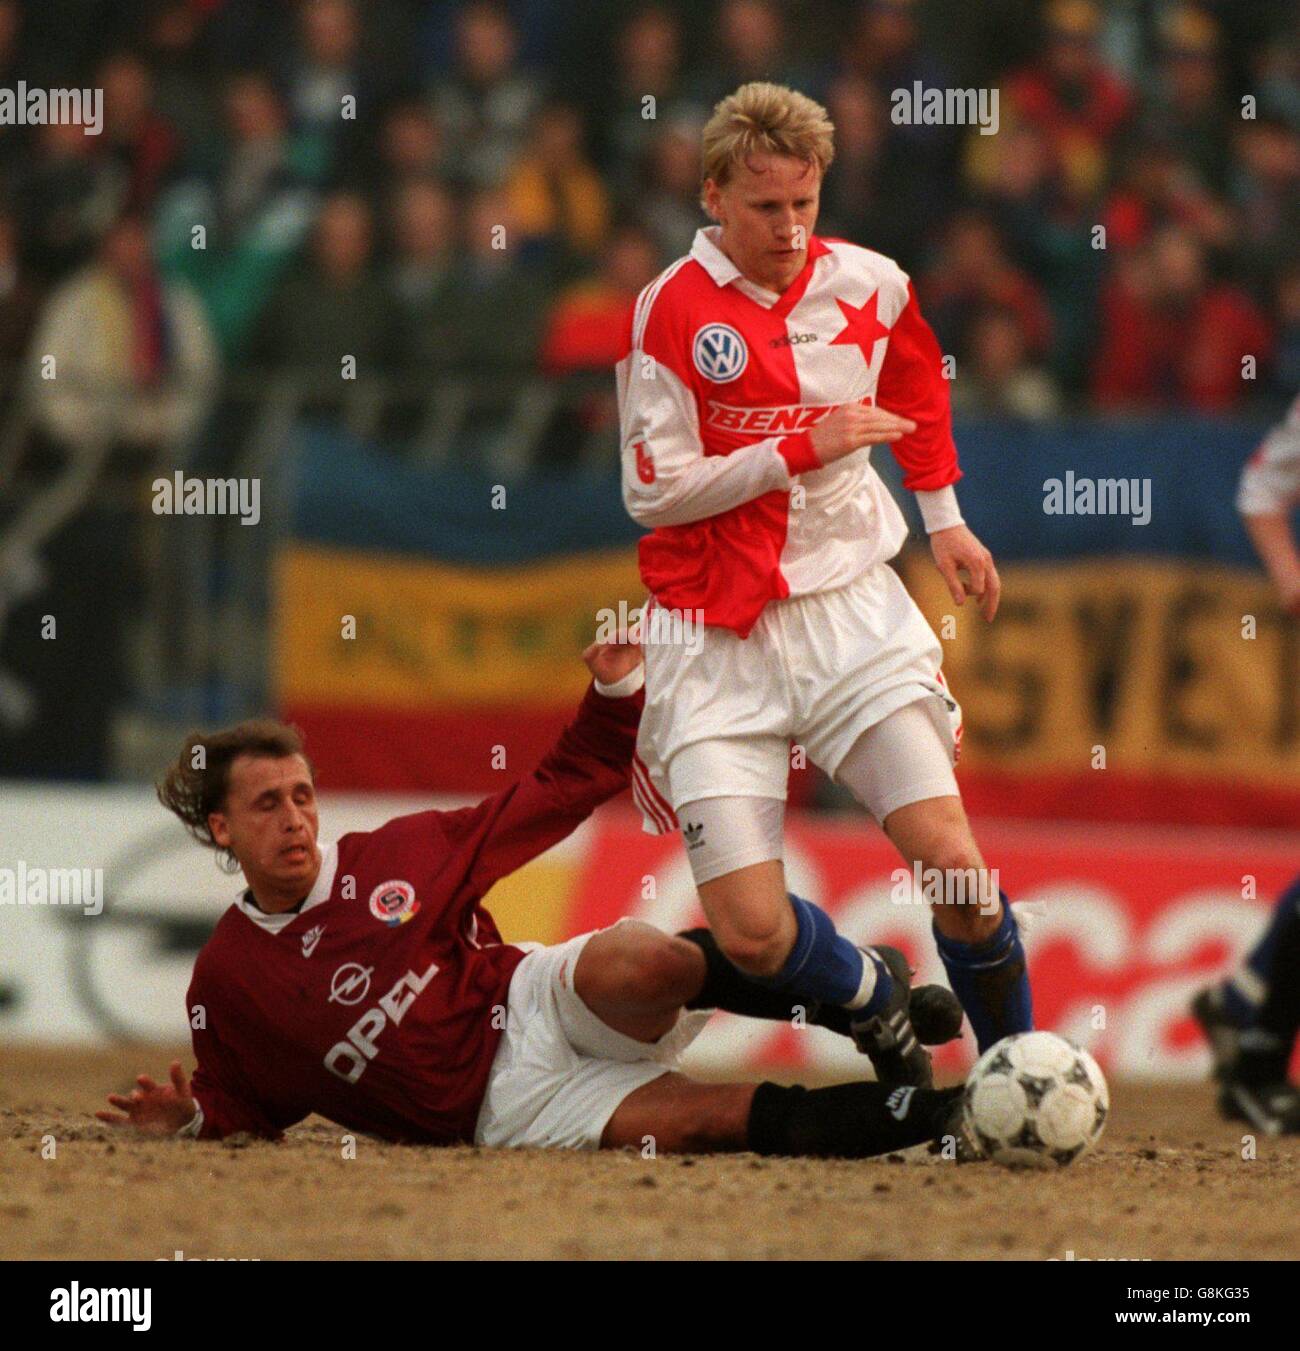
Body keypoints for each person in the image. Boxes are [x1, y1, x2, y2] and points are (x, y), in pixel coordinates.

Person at [97, 639, 971, 1160]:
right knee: (710, 1121)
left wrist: (614, 696)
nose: (294, 819)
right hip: (507, 1110)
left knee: (647, 957)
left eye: (302, 795)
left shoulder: (397, 854)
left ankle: (859, 1000)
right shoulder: (227, 978)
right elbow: (252, 1098)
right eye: (266, 804)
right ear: (220, 830)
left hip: (531, 1000)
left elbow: (551, 790)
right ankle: (951, 1113)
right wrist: (194, 1116)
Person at [615, 82, 1034, 1089]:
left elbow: (917, 387)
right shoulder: (670, 310)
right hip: (713, 634)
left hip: (850, 611)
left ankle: (1015, 1072)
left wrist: (946, 522)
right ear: (713, 194)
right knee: (754, 937)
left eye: (805, 203)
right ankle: (870, 990)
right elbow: (650, 492)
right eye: (766, 208)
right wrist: (800, 448)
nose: (791, 228)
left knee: (959, 874)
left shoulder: (870, 284)